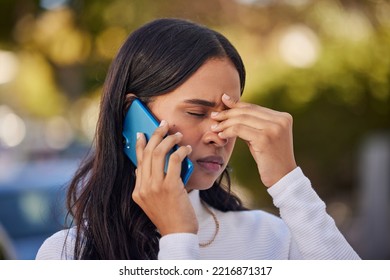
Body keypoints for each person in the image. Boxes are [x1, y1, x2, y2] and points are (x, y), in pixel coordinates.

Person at [36, 18, 360, 260]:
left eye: (228, 115)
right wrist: (178, 237)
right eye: (197, 112)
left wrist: (288, 182)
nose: (219, 135)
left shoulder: (270, 236)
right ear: (131, 115)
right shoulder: (67, 254)